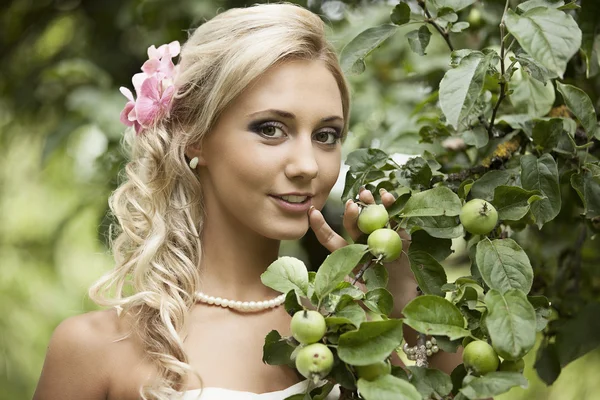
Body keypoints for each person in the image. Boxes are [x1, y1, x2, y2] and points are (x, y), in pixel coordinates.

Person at [33, 3, 460, 400]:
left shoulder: (355, 330)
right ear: (194, 136)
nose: (308, 165)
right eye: (271, 129)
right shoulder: (94, 349)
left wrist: (403, 300)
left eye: (326, 135)